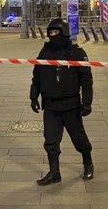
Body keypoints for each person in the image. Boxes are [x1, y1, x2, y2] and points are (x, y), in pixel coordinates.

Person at [30, 18, 94, 185]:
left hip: (71, 105)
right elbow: (36, 76)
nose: (52, 36)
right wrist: (33, 96)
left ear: (64, 32)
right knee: (50, 140)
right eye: (50, 33)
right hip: (50, 105)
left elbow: (86, 80)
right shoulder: (45, 53)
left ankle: (88, 163)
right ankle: (54, 172)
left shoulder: (76, 53)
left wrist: (87, 102)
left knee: (79, 139)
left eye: (56, 32)